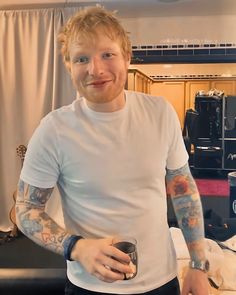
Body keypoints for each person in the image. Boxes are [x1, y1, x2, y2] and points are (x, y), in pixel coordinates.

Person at [15, 6, 210, 295]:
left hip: (161, 282)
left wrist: (198, 263)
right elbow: (26, 209)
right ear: (69, 66)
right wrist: (77, 247)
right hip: (89, 286)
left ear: (127, 57)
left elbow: (182, 189)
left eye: (107, 54)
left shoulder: (160, 113)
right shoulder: (54, 130)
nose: (96, 69)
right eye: (82, 58)